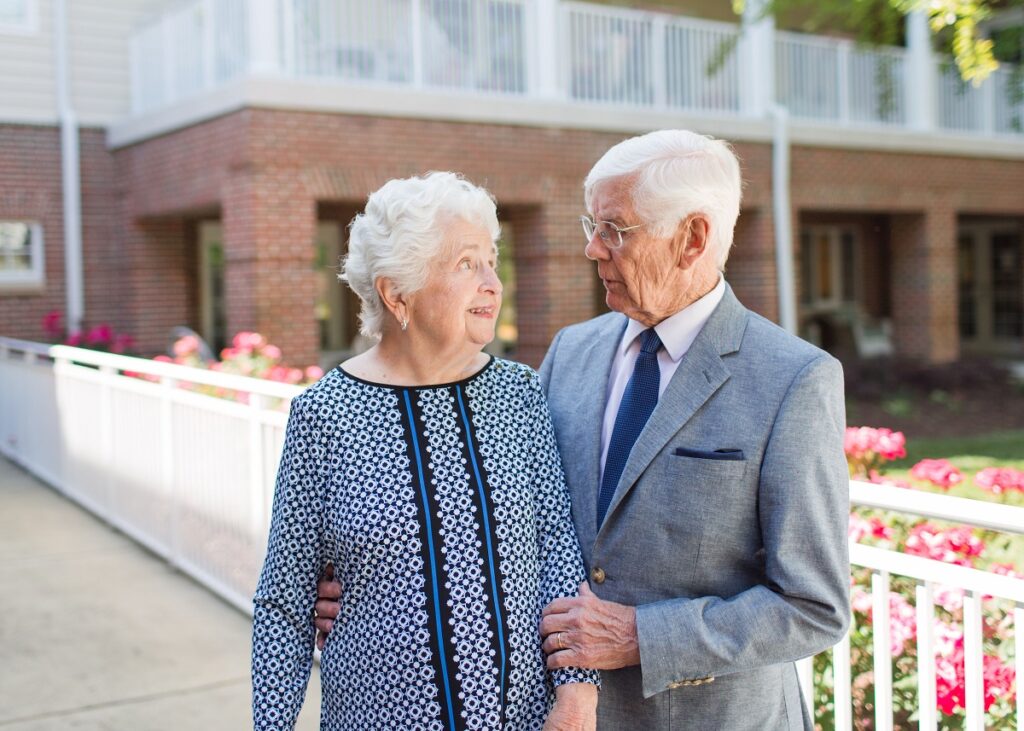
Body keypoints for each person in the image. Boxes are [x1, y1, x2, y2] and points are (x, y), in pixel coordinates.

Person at [315, 131, 851, 730]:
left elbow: (813, 607)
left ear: (692, 239)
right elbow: (504, 509)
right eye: (589, 226)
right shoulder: (571, 352)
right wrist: (365, 575)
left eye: (615, 230)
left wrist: (641, 636)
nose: (594, 249)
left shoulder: (794, 380)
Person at [252, 172, 599, 730]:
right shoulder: (324, 413)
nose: (492, 282)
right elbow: (285, 603)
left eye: (492, 260)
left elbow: (558, 550)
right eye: (467, 264)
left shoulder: (519, 393)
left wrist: (577, 696)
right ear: (397, 293)